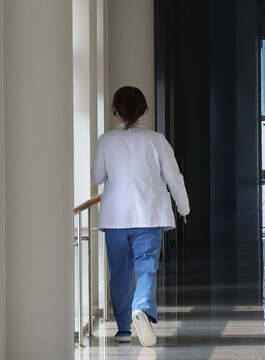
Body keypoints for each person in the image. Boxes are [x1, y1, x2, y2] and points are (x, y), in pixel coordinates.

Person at [91, 86, 190, 347]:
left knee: (120, 273)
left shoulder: (105, 141)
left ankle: (124, 329)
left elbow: (97, 177)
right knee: (146, 268)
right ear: (143, 110)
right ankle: (142, 309)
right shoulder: (157, 140)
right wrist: (184, 207)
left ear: (116, 110)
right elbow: (174, 177)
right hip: (148, 217)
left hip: (115, 219)